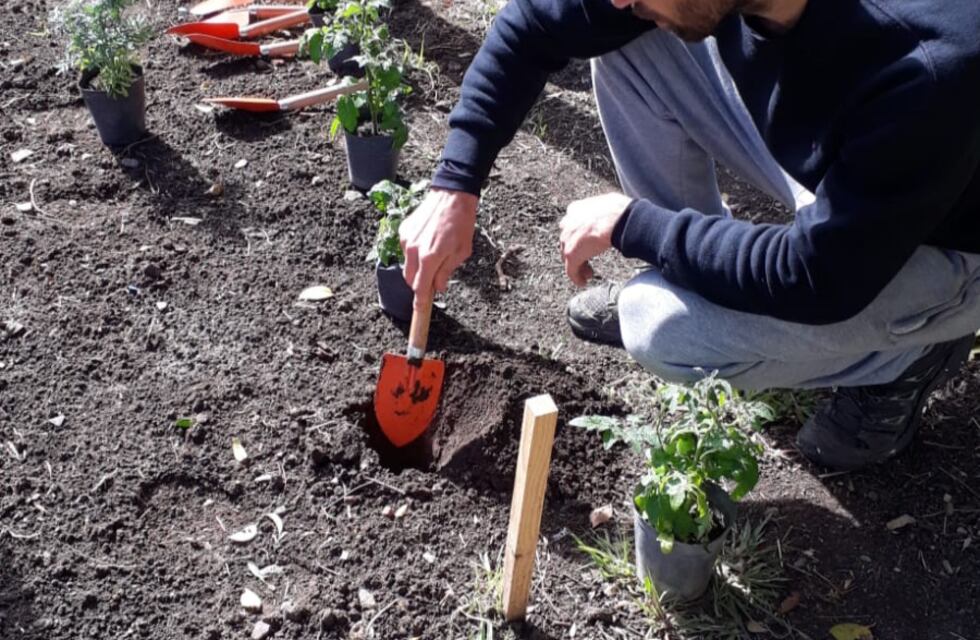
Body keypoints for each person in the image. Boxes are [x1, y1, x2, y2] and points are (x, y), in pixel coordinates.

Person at [397, 0, 980, 470]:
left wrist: (634, 224)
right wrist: (456, 183)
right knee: (635, 44)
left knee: (661, 327)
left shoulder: (928, 62)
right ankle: (705, 275)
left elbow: (815, 276)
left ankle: (907, 355)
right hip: (865, 176)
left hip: (943, 241)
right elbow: (534, 23)